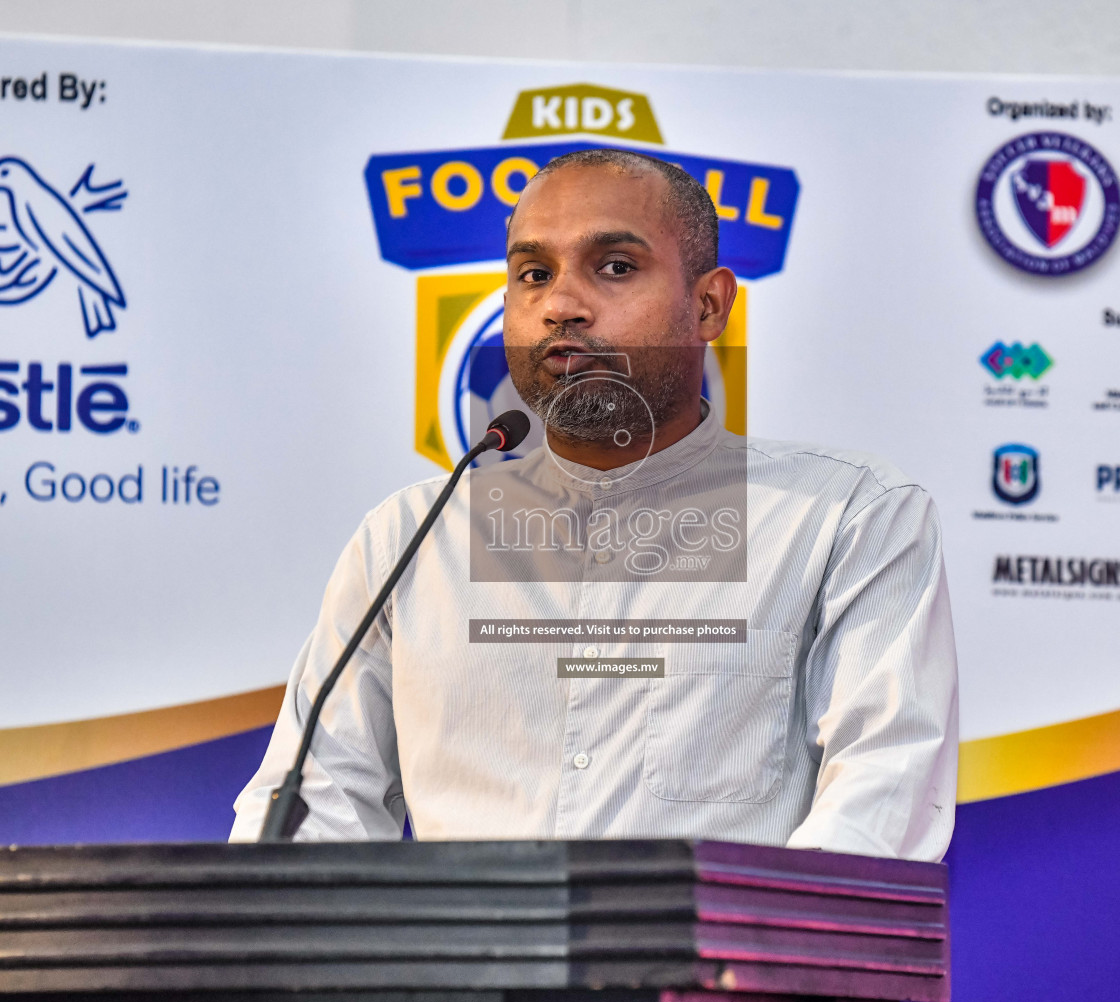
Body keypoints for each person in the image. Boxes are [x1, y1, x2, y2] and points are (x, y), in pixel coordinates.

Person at [232, 149, 958, 859]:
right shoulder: (413, 537)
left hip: (723, 975)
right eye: (534, 274)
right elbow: (315, 804)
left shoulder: (843, 517)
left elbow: (879, 800)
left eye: (615, 267)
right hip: (455, 974)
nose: (562, 306)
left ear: (709, 304)